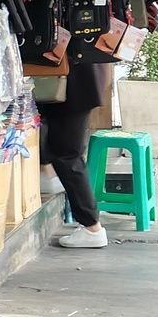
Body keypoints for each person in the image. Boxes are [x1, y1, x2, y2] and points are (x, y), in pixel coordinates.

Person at [44, 62, 117, 249]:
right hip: (81, 81)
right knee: (66, 151)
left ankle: (92, 227)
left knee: (67, 153)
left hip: (73, 83)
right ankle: (91, 225)